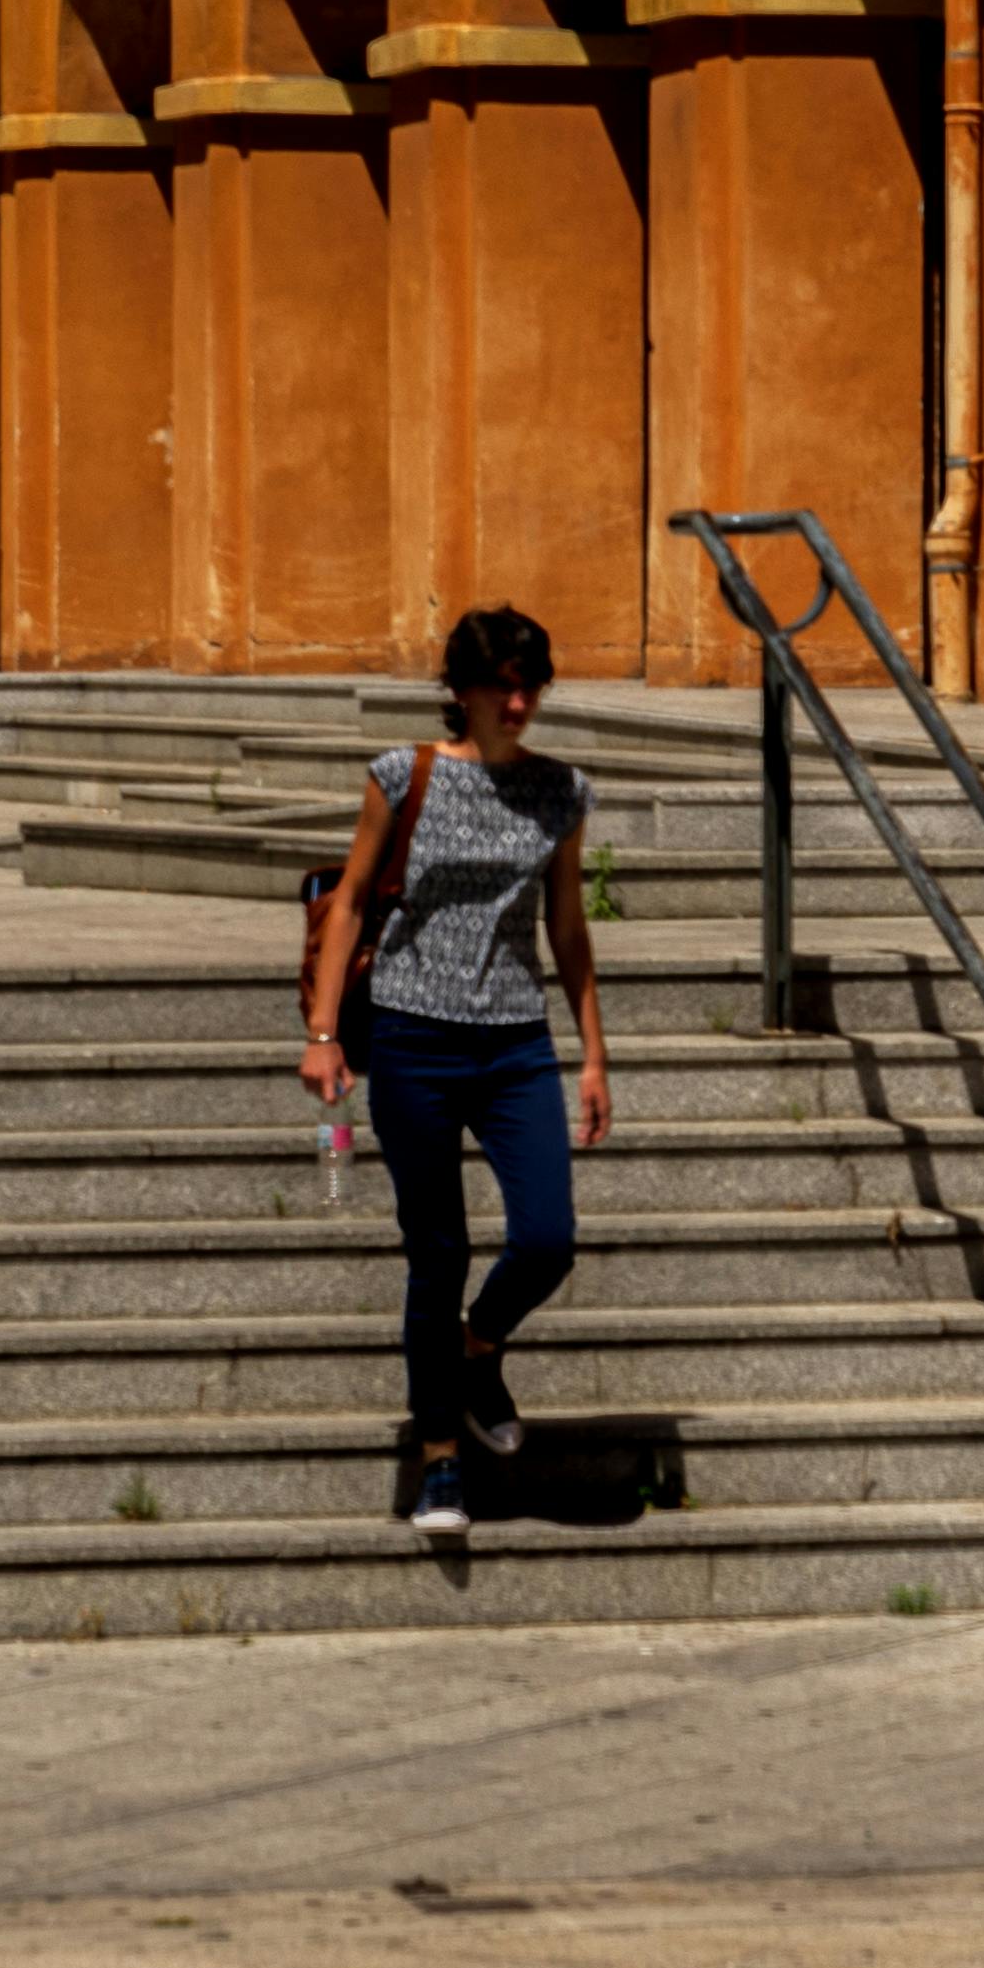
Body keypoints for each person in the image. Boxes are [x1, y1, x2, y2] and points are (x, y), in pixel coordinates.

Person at [298, 600, 610, 1536]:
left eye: (529, 686)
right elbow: (351, 901)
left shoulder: (562, 792)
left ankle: (475, 1354)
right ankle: (438, 1455)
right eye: (498, 687)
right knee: (436, 1253)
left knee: (547, 1238)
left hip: (514, 1040)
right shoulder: (403, 776)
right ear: (459, 691)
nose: (516, 703)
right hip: (412, 1038)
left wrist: (592, 1055)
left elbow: (567, 927)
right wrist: (323, 1032)